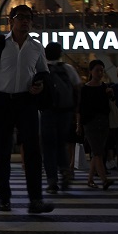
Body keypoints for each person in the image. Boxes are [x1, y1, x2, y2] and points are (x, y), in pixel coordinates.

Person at [0, 4, 53, 214]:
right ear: (11, 20)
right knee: (2, 153)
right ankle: (4, 199)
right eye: (20, 17)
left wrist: (41, 85)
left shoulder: (36, 47)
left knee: (34, 152)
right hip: (1, 102)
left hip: (27, 101)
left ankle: (35, 200)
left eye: (29, 17)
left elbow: (44, 73)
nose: (25, 21)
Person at [40, 42, 82, 194]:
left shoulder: (42, 69)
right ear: (60, 54)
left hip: (47, 111)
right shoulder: (67, 69)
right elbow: (77, 87)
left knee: (48, 146)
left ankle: (52, 181)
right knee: (60, 144)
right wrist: (75, 109)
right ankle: (64, 170)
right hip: (66, 112)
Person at [77, 59, 115, 190]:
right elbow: (80, 109)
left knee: (96, 151)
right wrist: (79, 125)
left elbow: (110, 105)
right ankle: (104, 180)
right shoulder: (85, 89)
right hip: (90, 123)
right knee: (98, 152)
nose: (100, 73)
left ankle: (90, 179)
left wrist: (110, 95)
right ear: (91, 72)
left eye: (102, 71)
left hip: (103, 122)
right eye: (97, 70)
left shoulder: (105, 87)